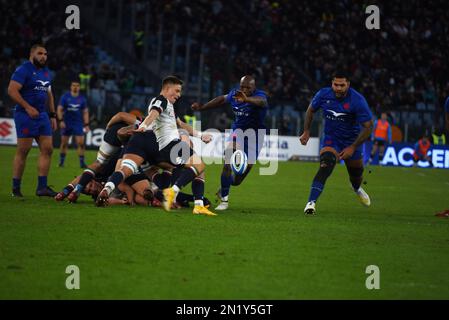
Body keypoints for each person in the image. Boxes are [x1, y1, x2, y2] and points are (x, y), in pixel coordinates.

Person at [96, 76, 215, 216]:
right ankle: (177, 194)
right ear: (167, 88)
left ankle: (107, 188)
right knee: (199, 165)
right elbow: (153, 112)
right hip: (166, 145)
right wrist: (144, 125)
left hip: (143, 143)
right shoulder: (161, 100)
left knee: (125, 170)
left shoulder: (169, 106)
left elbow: (181, 124)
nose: (179, 95)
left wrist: (201, 136)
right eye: (176, 91)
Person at [299, 71, 373, 215]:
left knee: (356, 175)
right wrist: (306, 131)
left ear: (348, 85)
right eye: (335, 84)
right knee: (326, 165)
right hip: (331, 139)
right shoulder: (323, 94)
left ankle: (357, 188)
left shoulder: (357, 100)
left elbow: (369, 126)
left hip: (352, 141)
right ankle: (311, 203)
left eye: (342, 85)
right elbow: (310, 110)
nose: (338, 88)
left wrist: (352, 147)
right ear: (332, 83)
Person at [191, 75, 269, 211]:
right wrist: (203, 107)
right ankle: (224, 201)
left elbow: (262, 102)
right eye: (242, 87)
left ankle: (224, 187)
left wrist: (247, 99)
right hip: (238, 131)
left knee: (238, 179)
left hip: (255, 136)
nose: (244, 90)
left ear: (254, 87)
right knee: (228, 159)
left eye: (248, 88)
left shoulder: (259, 95)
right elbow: (221, 99)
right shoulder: (234, 94)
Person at [8, 44, 58, 197]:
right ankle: (16, 188)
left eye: (45, 54)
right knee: (23, 151)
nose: (43, 56)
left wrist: (52, 115)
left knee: (48, 149)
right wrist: (28, 107)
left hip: (42, 115)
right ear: (32, 55)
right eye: (40, 53)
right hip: (25, 115)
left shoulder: (46, 73)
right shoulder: (24, 70)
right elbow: (12, 90)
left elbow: (49, 94)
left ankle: (42, 188)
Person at [57, 80, 90, 168]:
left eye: (77, 85)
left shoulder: (82, 99)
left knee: (81, 143)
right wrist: (61, 120)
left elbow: (85, 112)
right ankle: (61, 162)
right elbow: (59, 109)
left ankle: (82, 163)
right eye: (73, 85)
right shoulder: (65, 97)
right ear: (71, 87)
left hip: (78, 123)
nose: (75, 87)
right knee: (64, 143)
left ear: (79, 87)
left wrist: (86, 124)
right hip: (67, 123)